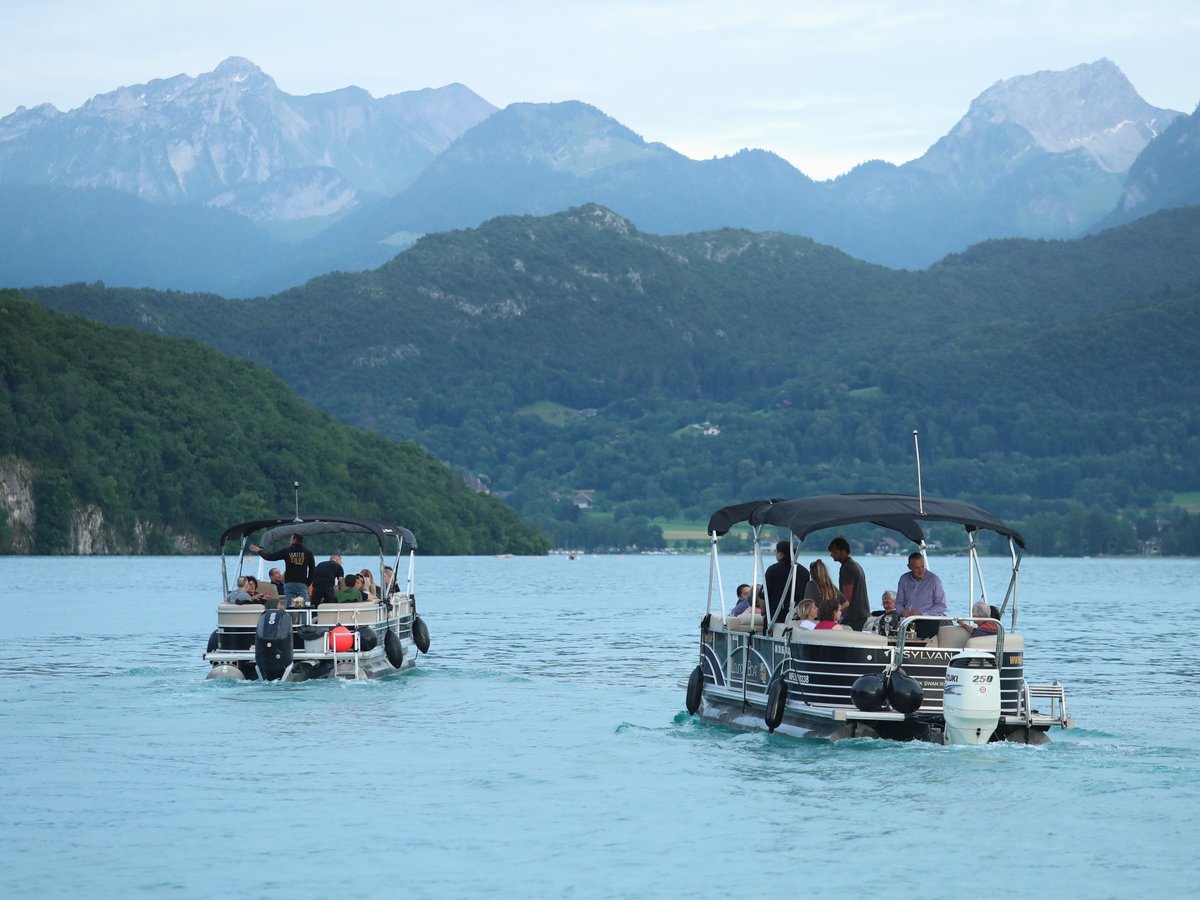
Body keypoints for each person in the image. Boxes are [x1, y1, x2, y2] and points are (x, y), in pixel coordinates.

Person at [249, 532, 315, 606]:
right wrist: (307, 583)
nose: (290, 541)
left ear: (295, 540)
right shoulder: (308, 552)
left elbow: (271, 556)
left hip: (289, 583)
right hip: (302, 583)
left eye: (291, 539)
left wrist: (259, 551)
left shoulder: (287, 551)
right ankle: (304, 617)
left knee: (289, 606)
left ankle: (289, 617)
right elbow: (312, 570)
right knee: (304, 606)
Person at [896, 551, 947, 640]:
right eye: (916, 568)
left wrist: (922, 614)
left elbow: (942, 605)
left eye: (922, 566)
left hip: (928, 622)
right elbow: (898, 603)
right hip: (907, 621)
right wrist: (902, 611)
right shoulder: (904, 579)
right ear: (909, 567)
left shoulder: (934, 580)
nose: (920, 571)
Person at [828, 536, 869, 631]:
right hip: (861, 613)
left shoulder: (847, 568)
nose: (831, 555)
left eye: (834, 552)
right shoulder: (855, 565)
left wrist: (835, 613)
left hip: (853, 616)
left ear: (842, 550)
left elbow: (847, 598)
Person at [765, 541, 810, 626]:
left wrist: (764, 612)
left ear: (780, 553)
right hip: (797, 615)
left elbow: (764, 594)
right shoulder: (804, 572)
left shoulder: (772, 570)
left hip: (775, 615)